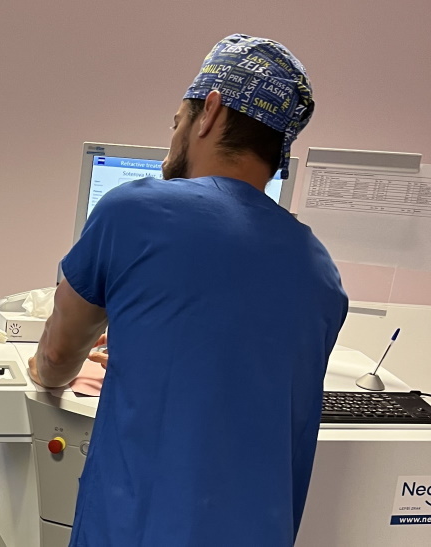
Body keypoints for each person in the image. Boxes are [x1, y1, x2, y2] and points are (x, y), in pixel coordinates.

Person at [29, 34, 348, 546]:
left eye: (177, 121)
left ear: (210, 112)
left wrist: (44, 368)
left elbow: (58, 356)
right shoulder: (320, 270)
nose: (172, 138)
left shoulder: (132, 213)